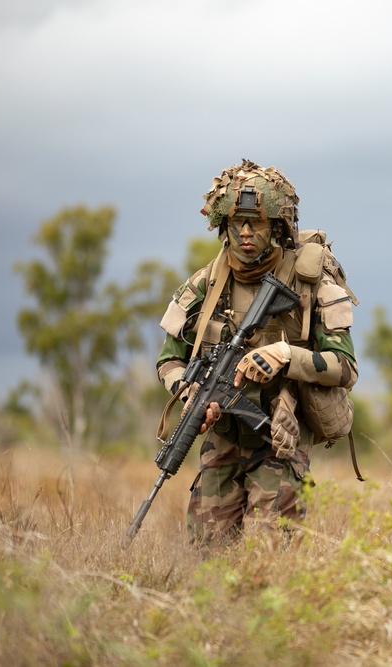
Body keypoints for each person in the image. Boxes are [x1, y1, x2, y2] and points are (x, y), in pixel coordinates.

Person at [155, 159, 358, 545]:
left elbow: (345, 368)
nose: (246, 233)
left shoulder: (311, 283)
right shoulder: (204, 285)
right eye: (237, 223)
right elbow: (168, 359)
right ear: (223, 227)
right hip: (223, 438)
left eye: (257, 223)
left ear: (278, 227)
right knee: (206, 555)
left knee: (270, 555)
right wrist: (189, 390)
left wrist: (286, 355)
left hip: (281, 437)